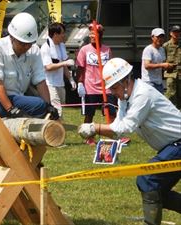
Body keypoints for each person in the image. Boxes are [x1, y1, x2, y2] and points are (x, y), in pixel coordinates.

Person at [78, 57, 181, 225]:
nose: (113, 92)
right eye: (110, 88)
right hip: (172, 145)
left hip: (179, 143)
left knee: (147, 180)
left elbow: (126, 128)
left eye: (115, 87)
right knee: (156, 190)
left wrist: (95, 128)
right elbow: (117, 128)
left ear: (126, 80)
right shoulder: (125, 97)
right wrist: (96, 129)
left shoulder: (143, 95)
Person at [0, 12, 58, 120]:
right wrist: (11, 109)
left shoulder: (34, 51)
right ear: (12, 37)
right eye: (22, 43)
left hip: (17, 98)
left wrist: (49, 106)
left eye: (29, 44)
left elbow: (41, 82)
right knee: (38, 104)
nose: (26, 47)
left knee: (42, 105)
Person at [76, 23, 117, 146]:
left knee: (111, 113)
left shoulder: (107, 49)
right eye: (91, 33)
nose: (92, 36)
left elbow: (111, 67)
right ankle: (89, 137)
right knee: (89, 114)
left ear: (100, 35)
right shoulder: (84, 50)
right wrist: (79, 83)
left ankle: (112, 135)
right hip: (90, 87)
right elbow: (80, 68)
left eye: (94, 33)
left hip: (106, 87)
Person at [40, 22, 76, 118]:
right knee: (57, 110)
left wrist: (70, 79)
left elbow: (63, 65)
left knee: (60, 107)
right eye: (62, 33)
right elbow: (48, 67)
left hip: (60, 83)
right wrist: (64, 63)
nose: (64, 36)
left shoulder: (61, 46)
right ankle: (58, 130)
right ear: (55, 34)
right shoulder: (45, 48)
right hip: (50, 84)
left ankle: (51, 127)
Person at [141, 28, 175, 93]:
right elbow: (147, 65)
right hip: (149, 82)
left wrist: (168, 67)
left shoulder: (162, 50)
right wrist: (162, 65)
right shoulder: (148, 49)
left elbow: (162, 65)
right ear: (152, 37)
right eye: (158, 37)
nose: (160, 39)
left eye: (162, 37)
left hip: (159, 82)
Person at [163, 25, 181, 109]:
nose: (176, 34)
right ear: (170, 33)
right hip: (170, 74)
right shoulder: (165, 46)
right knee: (170, 94)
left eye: (178, 32)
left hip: (180, 75)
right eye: (174, 32)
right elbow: (162, 60)